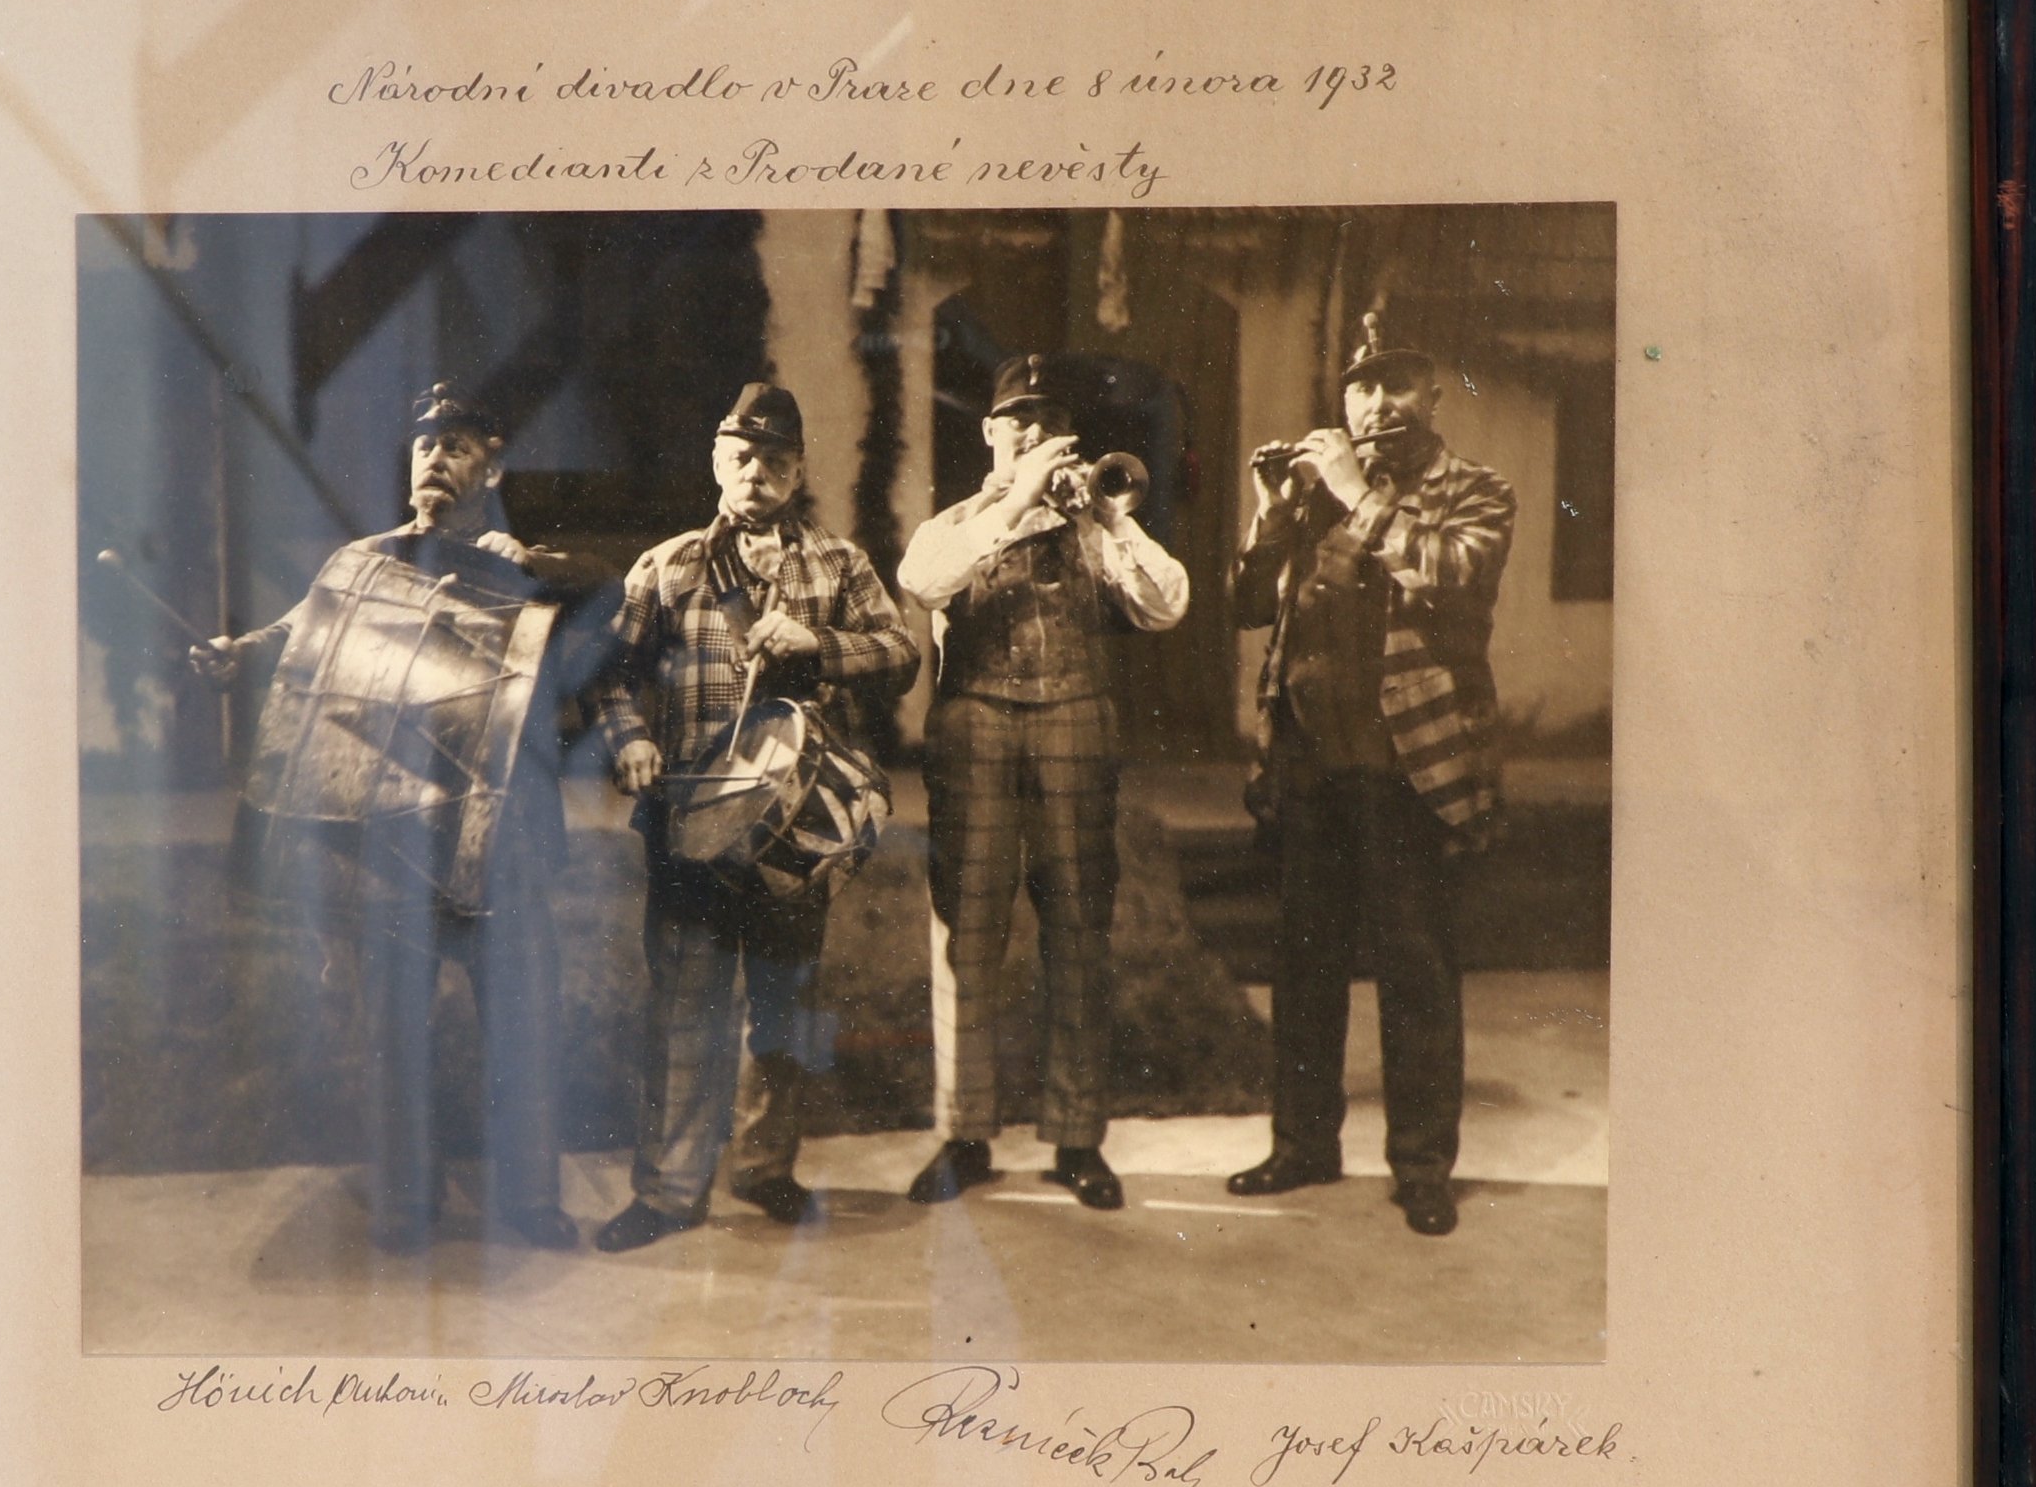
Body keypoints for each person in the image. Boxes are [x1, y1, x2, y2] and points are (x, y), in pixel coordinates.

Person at [191, 381, 596, 1256]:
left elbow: (602, 607)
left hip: (501, 837)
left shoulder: (522, 568)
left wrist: (526, 561)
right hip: (392, 833)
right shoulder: (363, 562)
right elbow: (298, 634)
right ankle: (407, 1199)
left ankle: (529, 1197)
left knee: (522, 1017)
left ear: (493, 467)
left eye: (456, 446)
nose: (435, 460)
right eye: (424, 446)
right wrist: (239, 654)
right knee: (392, 1023)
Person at [588, 381, 921, 1255]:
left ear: (798, 470)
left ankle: (767, 1168)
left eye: (775, 460)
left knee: (783, 1002)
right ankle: (667, 1189)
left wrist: (820, 645)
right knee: (683, 1009)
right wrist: (630, 740)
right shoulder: (667, 567)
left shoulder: (839, 563)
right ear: (716, 460)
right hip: (689, 825)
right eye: (740, 456)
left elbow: (900, 652)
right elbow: (611, 675)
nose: (756, 473)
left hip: (793, 827)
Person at [1227, 315, 1516, 1236]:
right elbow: (1245, 604)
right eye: (1362, 386)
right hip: (1309, 763)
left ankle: (1421, 1169)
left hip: (1409, 770)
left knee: (1415, 972)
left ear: (1432, 395)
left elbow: (1449, 573)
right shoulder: (1312, 492)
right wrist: (1273, 513)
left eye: (1398, 383)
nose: (1378, 402)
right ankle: (1302, 1146)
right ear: (1344, 398)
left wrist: (1352, 492)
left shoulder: (1476, 489)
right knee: (1303, 968)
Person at [896, 353, 1190, 1212]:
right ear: (990, 431)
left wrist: (1111, 520)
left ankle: (1076, 1138)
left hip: (1073, 724)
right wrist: (1016, 499)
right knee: (966, 928)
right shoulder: (953, 522)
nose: (1033, 433)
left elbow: (1167, 604)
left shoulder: (1091, 524)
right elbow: (922, 582)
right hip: (975, 730)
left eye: (1049, 421)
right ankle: (964, 1134)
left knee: (1078, 928)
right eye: (1017, 419)